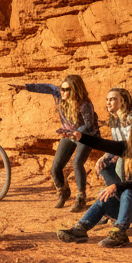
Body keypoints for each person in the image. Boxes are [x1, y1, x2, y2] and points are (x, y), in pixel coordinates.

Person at [54, 112, 132, 248]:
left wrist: (117, 186)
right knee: (105, 197)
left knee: (127, 192)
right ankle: (80, 229)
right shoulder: (129, 148)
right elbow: (103, 144)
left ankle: (119, 233)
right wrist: (80, 137)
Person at [9, 75, 98, 211]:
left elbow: (89, 125)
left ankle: (81, 198)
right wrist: (25, 87)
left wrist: (75, 132)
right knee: (56, 167)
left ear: (74, 90)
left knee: (77, 163)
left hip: (87, 136)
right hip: (69, 134)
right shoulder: (59, 95)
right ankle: (63, 192)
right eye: (61, 88)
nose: (61, 91)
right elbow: (48, 87)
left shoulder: (84, 104)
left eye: (65, 89)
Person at [96, 88, 132, 185]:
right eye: (107, 100)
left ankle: (127, 192)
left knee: (120, 163)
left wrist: (117, 155)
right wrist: (105, 156)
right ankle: (116, 193)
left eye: (112, 99)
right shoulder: (115, 121)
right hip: (124, 154)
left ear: (122, 101)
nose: (108, 103)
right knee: (103, 164)